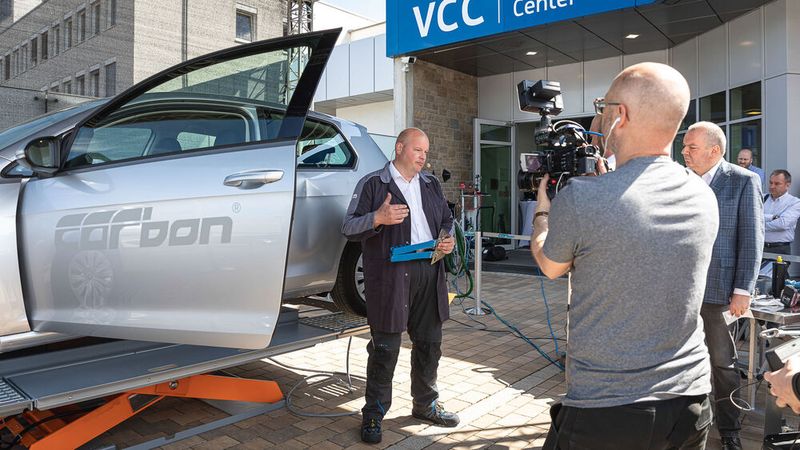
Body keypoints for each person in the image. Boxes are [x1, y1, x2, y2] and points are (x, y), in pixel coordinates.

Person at [532, 62, 718, 450]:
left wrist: (543, 210)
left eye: (604, 106)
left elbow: (550, 265)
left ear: (621, 115)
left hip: (607, 409)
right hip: (691, 401)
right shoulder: (703, 194)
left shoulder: (583, 198)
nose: (599, 116)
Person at [341, 128, 458, 444]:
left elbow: (447, 219)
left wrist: (446, 238)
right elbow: (349, 227)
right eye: (418, 149)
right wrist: (377, 218)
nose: (423, 156)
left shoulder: (431, 184)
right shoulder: (373, 184)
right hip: (391, 277)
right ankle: (374, 415)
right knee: (385, 349)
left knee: (430, 343)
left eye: (426, 151)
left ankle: (425, 404)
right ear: (399, 148)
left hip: (429, 271)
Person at [682, 121, 764, 450]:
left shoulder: (744, 181)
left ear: (715, 150)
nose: (684, 152)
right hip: (682, 291)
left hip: (721, 292)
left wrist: (743, 289)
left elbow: (752, 238)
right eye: (684, 146)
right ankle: (688, 423)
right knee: (684, 360)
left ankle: (729, 431)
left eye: (692, 147)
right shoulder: (681, 181)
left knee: (723, 364)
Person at [764, 169, 800, 256]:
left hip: (780, 249)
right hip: (760, 247)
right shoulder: (762, 198)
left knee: (778, 270)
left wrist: (757, 224)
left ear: (787, 185)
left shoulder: (795, 202)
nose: (772, 186)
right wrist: (772, 217)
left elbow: (782, 224)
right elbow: (749, 218)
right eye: (771, 182)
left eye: (777, 184)